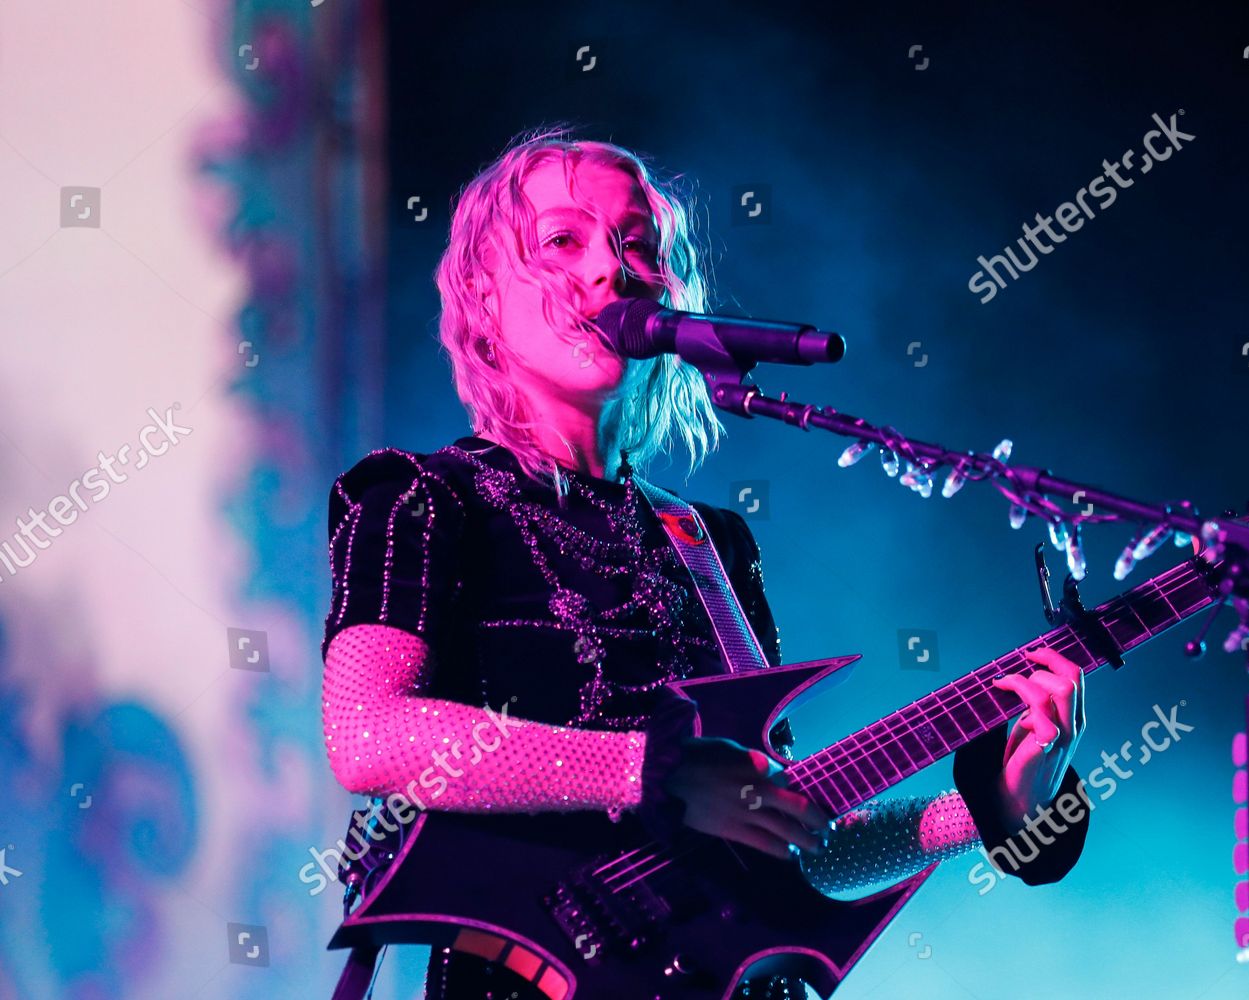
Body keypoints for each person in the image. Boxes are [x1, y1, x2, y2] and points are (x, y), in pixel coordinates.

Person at [320, 124, 1092, 1000]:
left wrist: (998, 811)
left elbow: (797, 843)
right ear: (482, 293)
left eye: (636, 246)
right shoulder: (423, 499)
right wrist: (658, 774)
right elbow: (367, 734)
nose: (609, 270)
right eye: (563, 241)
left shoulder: (708, 542)